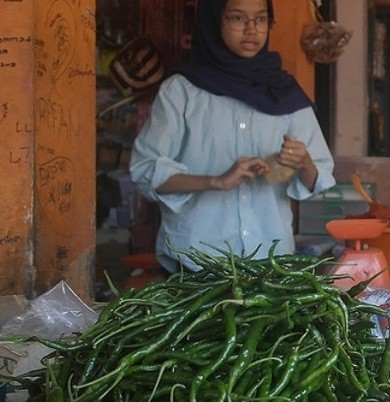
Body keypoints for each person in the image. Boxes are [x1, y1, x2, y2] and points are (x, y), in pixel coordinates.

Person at [129, 0, 336, 273]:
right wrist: (215, 181)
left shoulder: (285, 93)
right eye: (238, 19)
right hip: (195, 262)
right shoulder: (182, 92)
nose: (252, 30)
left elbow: (319, 175)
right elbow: (145, 171)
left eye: (261, 19)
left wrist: (303, 163)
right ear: (214, 22)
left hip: (269, 263)